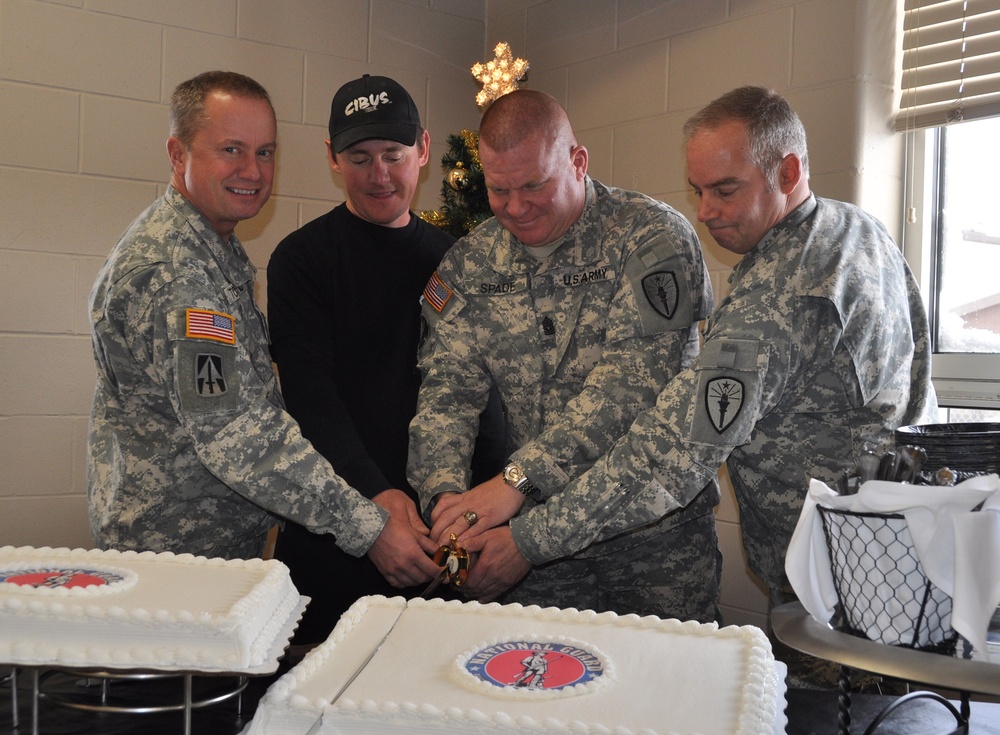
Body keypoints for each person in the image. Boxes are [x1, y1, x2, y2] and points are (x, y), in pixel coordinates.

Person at [459, 86, 938, 619]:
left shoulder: (778, 299)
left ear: (788, 173)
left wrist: (528, 539)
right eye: (698, 190)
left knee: (837, 705)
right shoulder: (855, 230)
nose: (705, 212)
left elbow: (672, 453)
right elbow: (920, 374)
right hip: (899, 547)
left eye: (725, 191)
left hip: (842, 579)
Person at [88, 71, 442, 596]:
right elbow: (236, 433)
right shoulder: (174, 272)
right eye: (231, 149)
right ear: (177, 152)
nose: (252, 171)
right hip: (174, 570)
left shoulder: (214, 248)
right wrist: (368, 527)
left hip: (214, 559)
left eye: (265, 152)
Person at [408, 89, 721, 621]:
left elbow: (626, 391)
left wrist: (517, 480)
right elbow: (446, 396)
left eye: (535, 184)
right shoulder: (470, 264)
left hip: (652, 545)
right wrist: (445, 503)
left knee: (664, 696)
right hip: (536, 561)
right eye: (498, 188)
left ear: (578, 162)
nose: (516, 206)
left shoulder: (648, 239)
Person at [265, 74, 505, 644]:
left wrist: (481, 509)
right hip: (339, 532)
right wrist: (377, 499)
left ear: (423, 150)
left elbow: (483, 394)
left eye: (394, 156)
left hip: (442, 534)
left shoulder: (454, 261)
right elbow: (310, 397)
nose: (379, 175)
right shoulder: (301, 260)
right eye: (360, 157)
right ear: (332, 158)